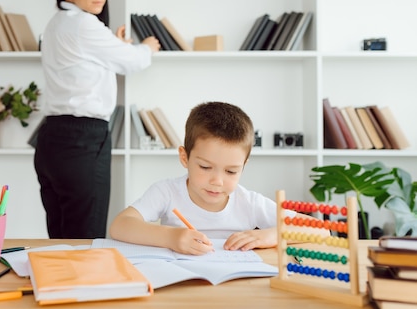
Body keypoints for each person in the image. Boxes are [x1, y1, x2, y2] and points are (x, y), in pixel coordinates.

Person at [34, 0, 161, 239]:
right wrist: (148, 48)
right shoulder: (84, 24)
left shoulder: (55, 24)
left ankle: (58, 285)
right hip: (82, 139)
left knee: (61, 237)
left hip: (51, 139)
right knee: (85, 237)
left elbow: (88, 63)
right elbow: (132, 62)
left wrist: (114, 45)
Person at [110, 101, 326, 254]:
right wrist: (171, 238)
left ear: (244, 166)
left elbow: (320, 229)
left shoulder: (248, 202)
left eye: (231, 171)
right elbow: (120, 225)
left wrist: (270, 236)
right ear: (184, 158)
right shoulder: (166, 192)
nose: (217, 181)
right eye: (205, 167)